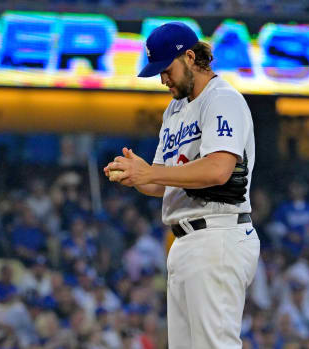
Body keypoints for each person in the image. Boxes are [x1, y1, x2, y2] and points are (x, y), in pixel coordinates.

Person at [104, 22, 259, 348]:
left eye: (166, 69)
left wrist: (152, 174)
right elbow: (161, 182)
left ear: (190, 57)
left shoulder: (222, 99)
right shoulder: (174, 110)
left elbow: (219, 170)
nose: (162, 79)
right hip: (184, 240)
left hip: (218, 234)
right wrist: (136, 176)